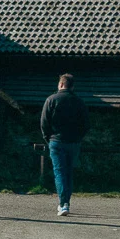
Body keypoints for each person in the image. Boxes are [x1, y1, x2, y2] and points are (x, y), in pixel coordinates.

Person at [40, 74, 88, 216]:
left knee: (59, 172)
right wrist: (78, 138)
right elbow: (86, 124)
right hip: (73, 142)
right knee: (68, 172)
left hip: (56, 141)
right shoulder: (79, 102)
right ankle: (66, 202)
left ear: (60, 84)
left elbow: (44, 122)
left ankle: (63, 203)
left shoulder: (51, 100)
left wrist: (48, 139)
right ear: (72, 86)